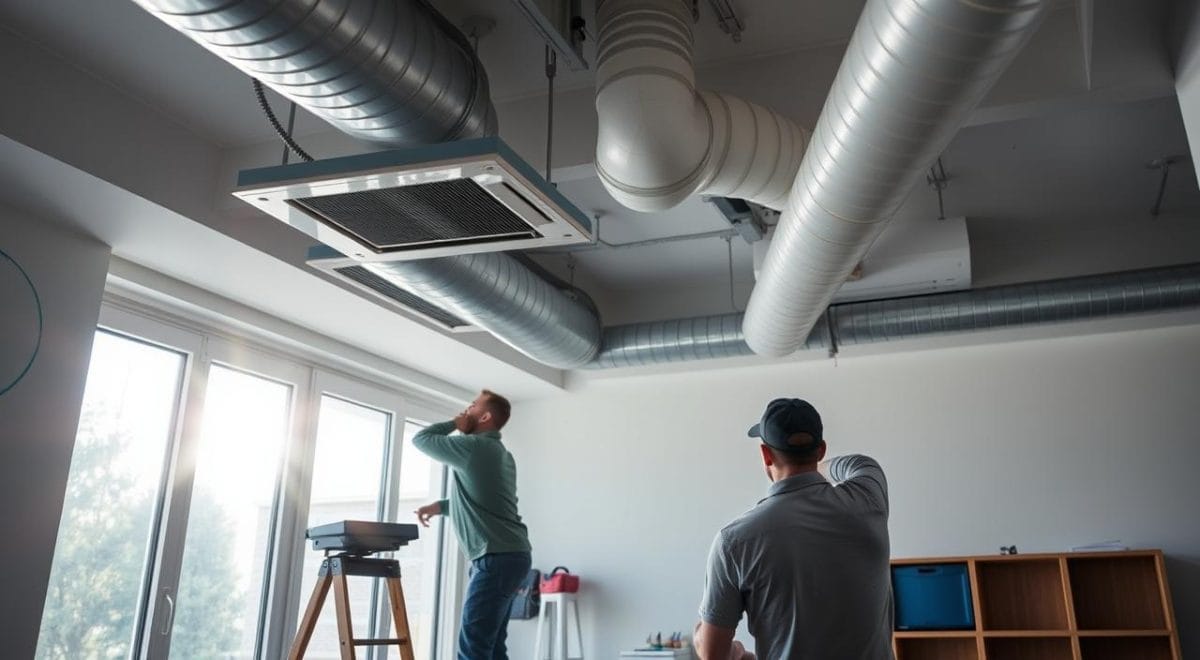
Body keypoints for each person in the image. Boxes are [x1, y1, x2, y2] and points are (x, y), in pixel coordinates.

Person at [695, 398, 893, 660]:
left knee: (700, 632)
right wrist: (812, 465)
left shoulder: (734, 541)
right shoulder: (868, 497)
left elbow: (712, 654)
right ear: (821, 450)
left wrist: (738, 654)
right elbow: (858, 463)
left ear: (766, 454)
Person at [413, 389, 532, 660]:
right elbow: (486, 500)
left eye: (472, 407)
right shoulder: (500, 452)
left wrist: (455, 424)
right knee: (491, 645)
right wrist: (442, 506)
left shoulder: (474, 447)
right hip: (511, 556)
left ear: (485, 416)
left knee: (474, 648)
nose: (466, 410)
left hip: (495, 559)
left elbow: (422, 439)